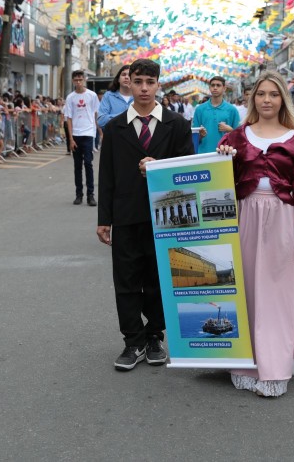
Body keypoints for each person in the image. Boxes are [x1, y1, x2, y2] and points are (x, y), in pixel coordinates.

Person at [217, 70, 294, 397]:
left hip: (282, 220)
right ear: (253, 99)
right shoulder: (236, 137)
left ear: (282, 100)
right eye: (261, 94)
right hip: (245, 216)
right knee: (244, 291)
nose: (266, 100)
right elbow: (220, 185)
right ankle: (244, 364)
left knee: (277, 296)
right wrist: (222, 162)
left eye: (273, 95)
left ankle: (274, 368)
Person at [96, 58, 194, 371]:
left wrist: (159, 167)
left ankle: (154, 335)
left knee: (158, 279)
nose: (143, 88)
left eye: (150, 82)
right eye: (137, 81)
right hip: (126, 215)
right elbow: (106, 176)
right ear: (128, 82)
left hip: (166, 215)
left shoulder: (176, 125)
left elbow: (187, 169)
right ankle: (132, 340)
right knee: (125, 280)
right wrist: (104, 218)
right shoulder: (115, 128)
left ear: (158, 84)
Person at [66, 70, 100, 206]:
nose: (78, 82)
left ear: (84, 79)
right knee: (77, 166)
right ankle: (78, 194)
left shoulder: (92, 95)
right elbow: (68, 118)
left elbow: (96, 114)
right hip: (76, 134)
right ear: (73, 81)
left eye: (80, 79)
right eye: (76, 80)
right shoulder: (70, 98)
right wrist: (71, 139)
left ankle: (90, 195)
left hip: (88, 133)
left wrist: (100, 131)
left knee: (88, 163)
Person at [193, 76, 240, 153]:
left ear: (224, 88)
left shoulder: (232, 110)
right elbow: (194, 137)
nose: (215, 88)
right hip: (203, 154)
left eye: (218, 85)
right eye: (213, 85)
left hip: (224, 155)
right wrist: (200, 135)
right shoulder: (199, 110)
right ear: (209, 88)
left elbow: (240, 136)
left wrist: (230, 130)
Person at [97, 65, 133, 129]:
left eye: (129, 75)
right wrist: (125, 116)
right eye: (124, 74)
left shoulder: (139, 97)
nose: (126, 77)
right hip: (113, 137)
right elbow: (101, 121)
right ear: (118, 79)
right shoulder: (108, 96)